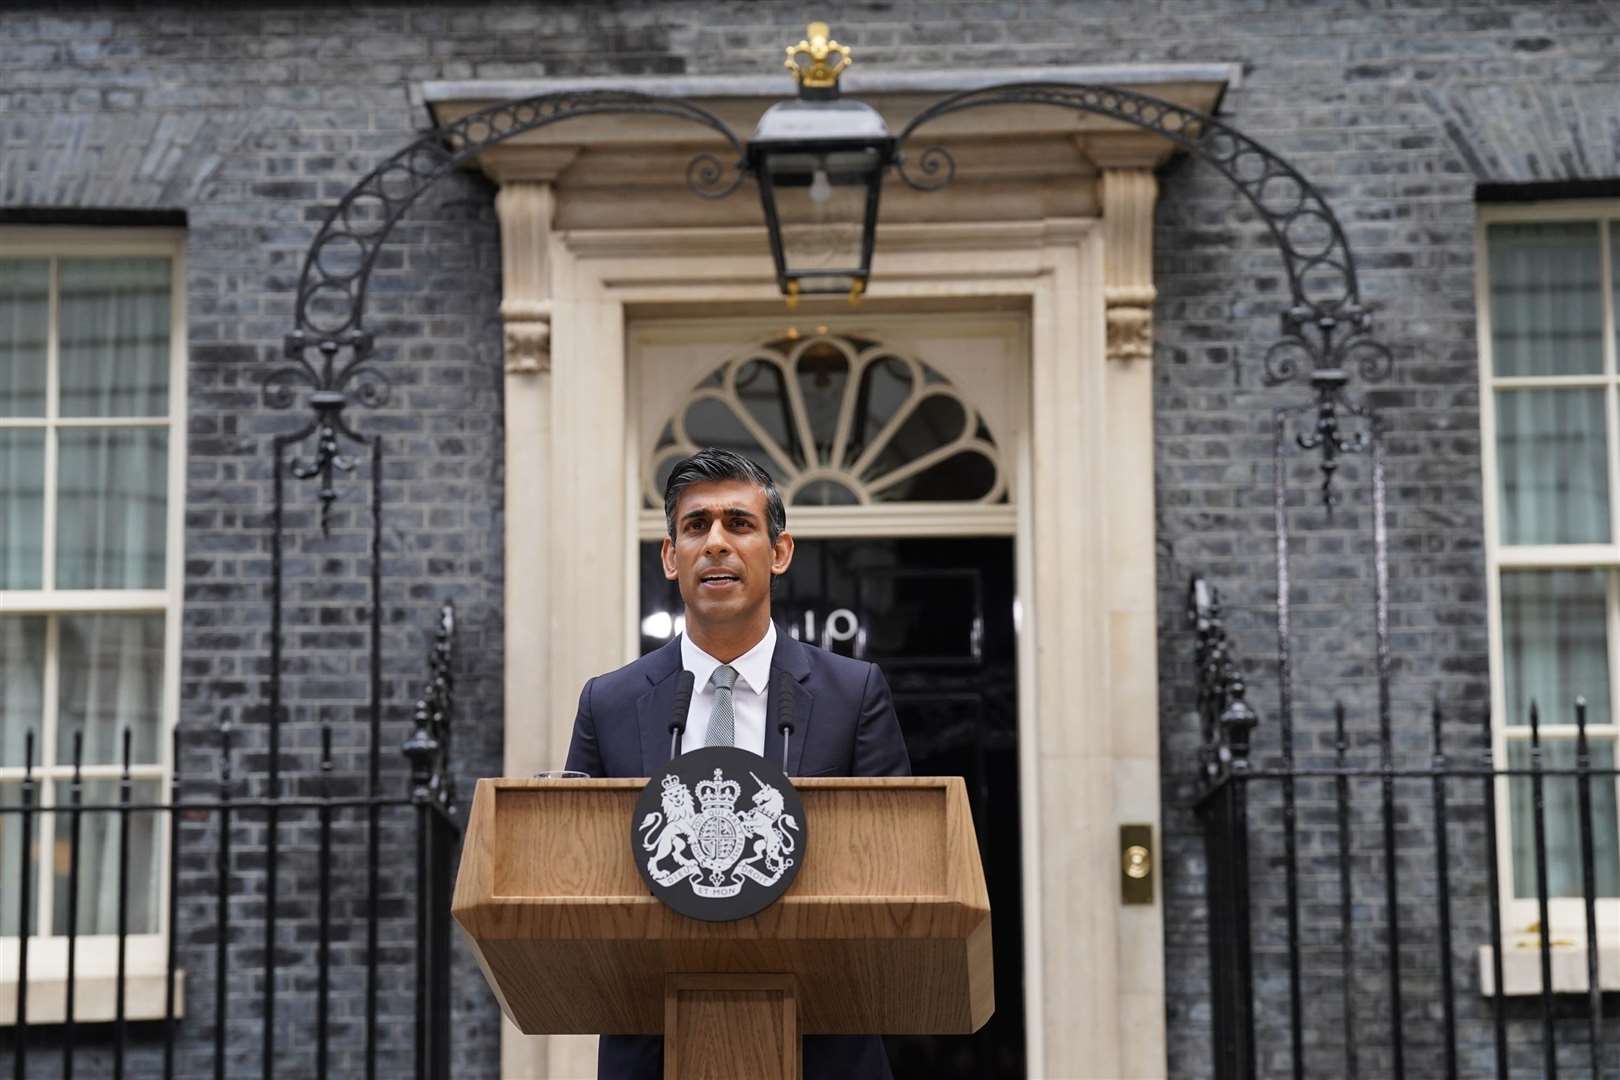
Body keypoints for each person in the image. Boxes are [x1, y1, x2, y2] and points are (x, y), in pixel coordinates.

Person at [565, 446, 909, 1080]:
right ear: (671, 557)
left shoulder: (852, 693)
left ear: (778, 553)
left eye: (739, 524)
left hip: (825, 1046)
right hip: (652, 1048)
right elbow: (575, 877)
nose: (716, 543)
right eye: (696, 526)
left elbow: (899, 872)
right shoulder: (608, 703)